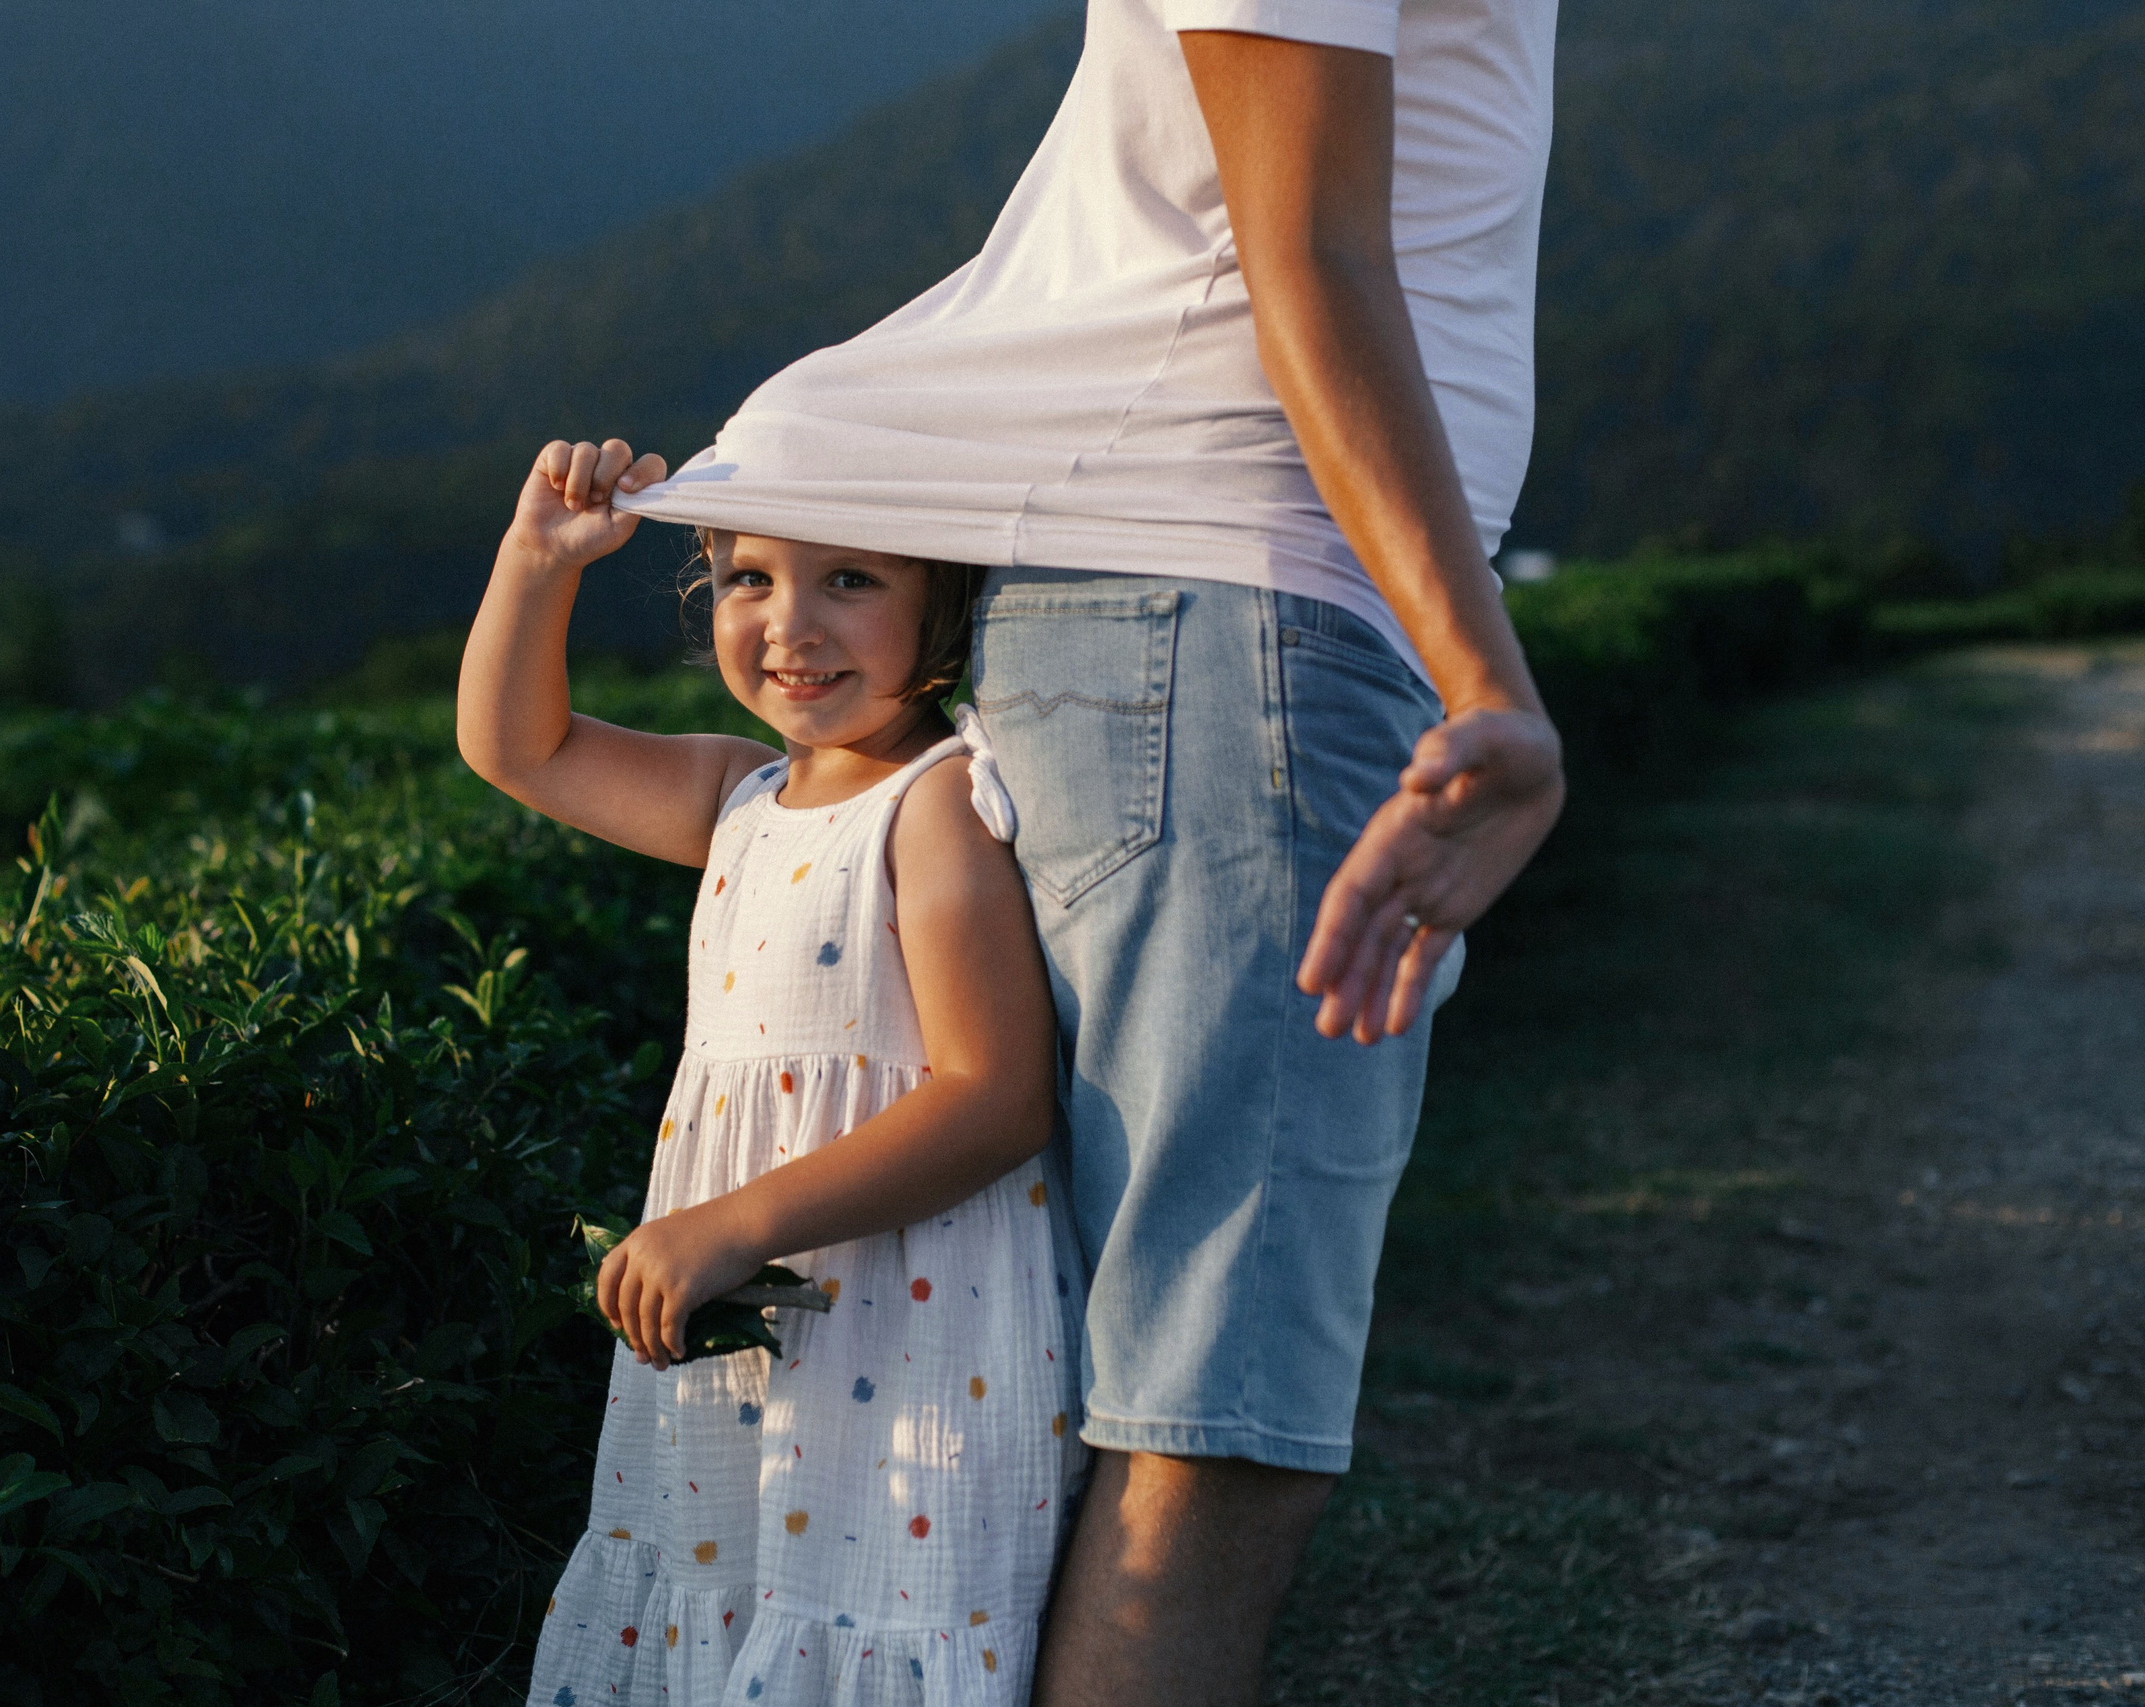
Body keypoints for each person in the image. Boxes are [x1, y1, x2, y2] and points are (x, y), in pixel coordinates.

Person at [612, 2, 1569, 1700]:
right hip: (1240, 615)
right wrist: (1486, 669)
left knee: (1164, 1397)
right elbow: (1312, 255)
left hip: (1218, 634)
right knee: (1216, 1420)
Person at [461, 437, 1091, 1704]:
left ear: (944, 607)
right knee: (739, 1593)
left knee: (873, 1614)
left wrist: (729, 1225)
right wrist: (537, 560)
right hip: (753, 1332)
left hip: (916, 1325)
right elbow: (515, 750)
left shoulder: (935, 803)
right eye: (750, 578)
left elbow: (995, 1094)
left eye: (850, 579)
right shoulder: (736, 796)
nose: (790, 625)